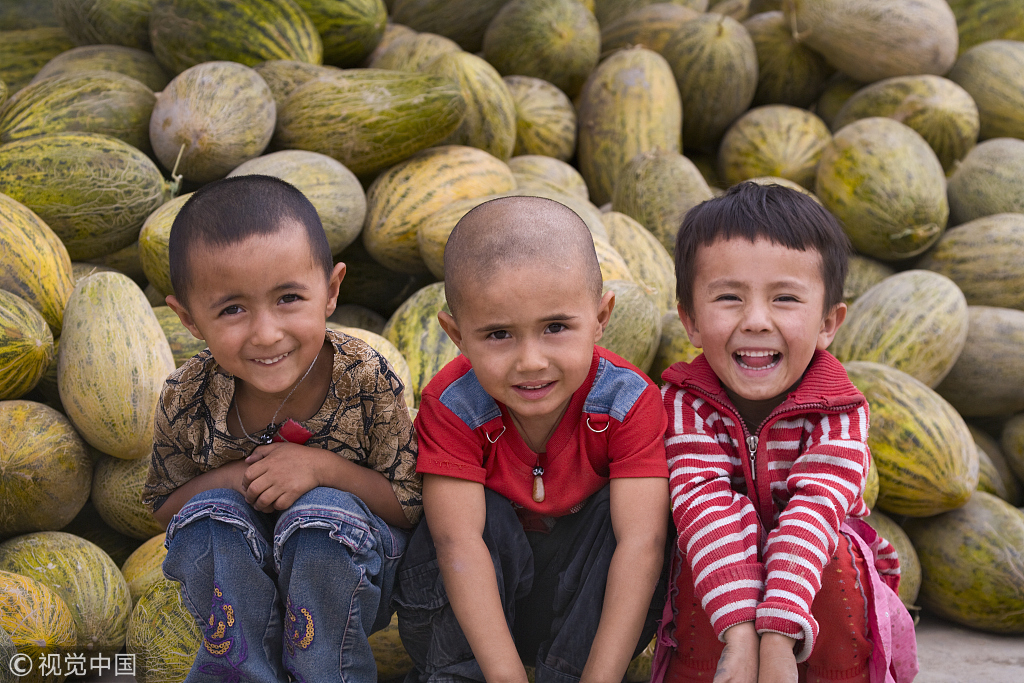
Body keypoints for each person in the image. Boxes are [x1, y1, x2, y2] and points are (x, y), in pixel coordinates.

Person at [142, 175, 421, 683]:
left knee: (320, 519)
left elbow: (410, 504)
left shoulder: (363, 377)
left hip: (351, 566)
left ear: (332, 290)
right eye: (232, 309)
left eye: (289, 297)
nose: (266, 333)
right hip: (245, 570)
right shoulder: (188, 395)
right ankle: (240, 672)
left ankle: (328, 674)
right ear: (187, 319)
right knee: (209, 516)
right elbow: (165, 509)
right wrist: (234, 479)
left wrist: (322, 469)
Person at [394, 195, 671, 683]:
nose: (531, 361)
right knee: (474, 520)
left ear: (602, 316)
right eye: (499, 335)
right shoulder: (454, 405)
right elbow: (458, 545)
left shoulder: (627, 403)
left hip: (574, 615)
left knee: (640, 525)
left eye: (556, 328)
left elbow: (640, 546)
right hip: (472, 615)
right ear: (456, 334)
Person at [653, 183, 917, 683]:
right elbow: (702, 504)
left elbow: (814, 511)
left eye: (785, 299)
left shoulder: (840, 410)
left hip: (821, 579)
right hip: (720, 584)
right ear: (689, 320)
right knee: (694, 545)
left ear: (828, 323)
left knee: (835, 550)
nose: (756, 320)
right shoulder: (684, 404)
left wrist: (776, 634)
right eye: (729, 297)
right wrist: (740, 633)